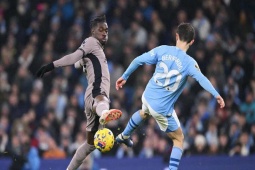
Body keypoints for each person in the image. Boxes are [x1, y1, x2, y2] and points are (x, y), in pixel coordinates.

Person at [115, 23, 225, 170]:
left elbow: (138, 60)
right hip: (161, 107)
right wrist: (216, 94)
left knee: (144, 112)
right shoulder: (189, 63)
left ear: (177, 36)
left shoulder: (162, 49)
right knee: (179, 139)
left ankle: (124, 136)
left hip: (147, 95)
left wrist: (125, 76)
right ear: (192, 42)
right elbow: (202, 79)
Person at [36, 15, 122, 170]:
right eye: (101, 30)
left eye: (107, 30)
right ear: (93, 31)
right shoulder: (91, 42)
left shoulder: (93, 50)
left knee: (90, 144)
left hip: (89, 100)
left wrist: (81, 63)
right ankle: (104, 113)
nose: (104, 33)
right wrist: (51, 66)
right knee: (102, 100)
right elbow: (74, 57)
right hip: (96, 92)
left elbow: (77, 62)